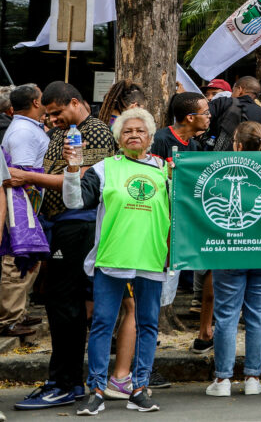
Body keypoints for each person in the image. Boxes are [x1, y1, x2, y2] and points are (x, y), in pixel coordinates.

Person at [9, 82, 117, 411]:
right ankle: (64, 380)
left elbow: (86, 178)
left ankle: (66, 383)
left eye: (57, 113)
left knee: (65, 304)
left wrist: (26, 177)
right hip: (59, 223)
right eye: (49, 113)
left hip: (79, 223)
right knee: (59, 303)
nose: (52, 119)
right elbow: (57, 173)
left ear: (75, 102)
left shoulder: (94, 130)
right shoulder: (63, 131)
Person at [65, 107, 169, 415]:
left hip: (151, 258)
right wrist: (73, 169)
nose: (134, 134)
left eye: (140, 130)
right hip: (112, 257)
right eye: (127, 131)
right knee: (102, 324)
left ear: (150, 137)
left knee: (148, 325)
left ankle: (139, 388)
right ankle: (96, 390)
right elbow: (74, 201)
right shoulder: (104, 168)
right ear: (118, 138)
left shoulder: (166, 170)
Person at [206, 121, 261, 398]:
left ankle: (222, 379)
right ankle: (252, 377)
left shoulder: (220, 165)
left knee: (226, 316)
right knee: (258, 315)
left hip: (230, 250)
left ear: (236, 144)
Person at [0, 84, 48, 338]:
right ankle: (9, 317)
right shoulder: (22, 131)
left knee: (29, 259)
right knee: (16, 258)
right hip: (22, 201)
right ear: (36, 103)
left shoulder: (26, 127)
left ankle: (18, 312)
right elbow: (18, 174)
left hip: (29, 200)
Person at [207, 76, 261, 151]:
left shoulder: (222, 103)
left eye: (233, 90)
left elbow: (203, 117)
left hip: (219, 159)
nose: (232, 94)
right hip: (254, 161)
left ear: (239, 89)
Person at [151, 92, 209, 160]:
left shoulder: (193, 145)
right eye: (206, 113)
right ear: (190, 118)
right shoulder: (159, 140)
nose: (209, 116)